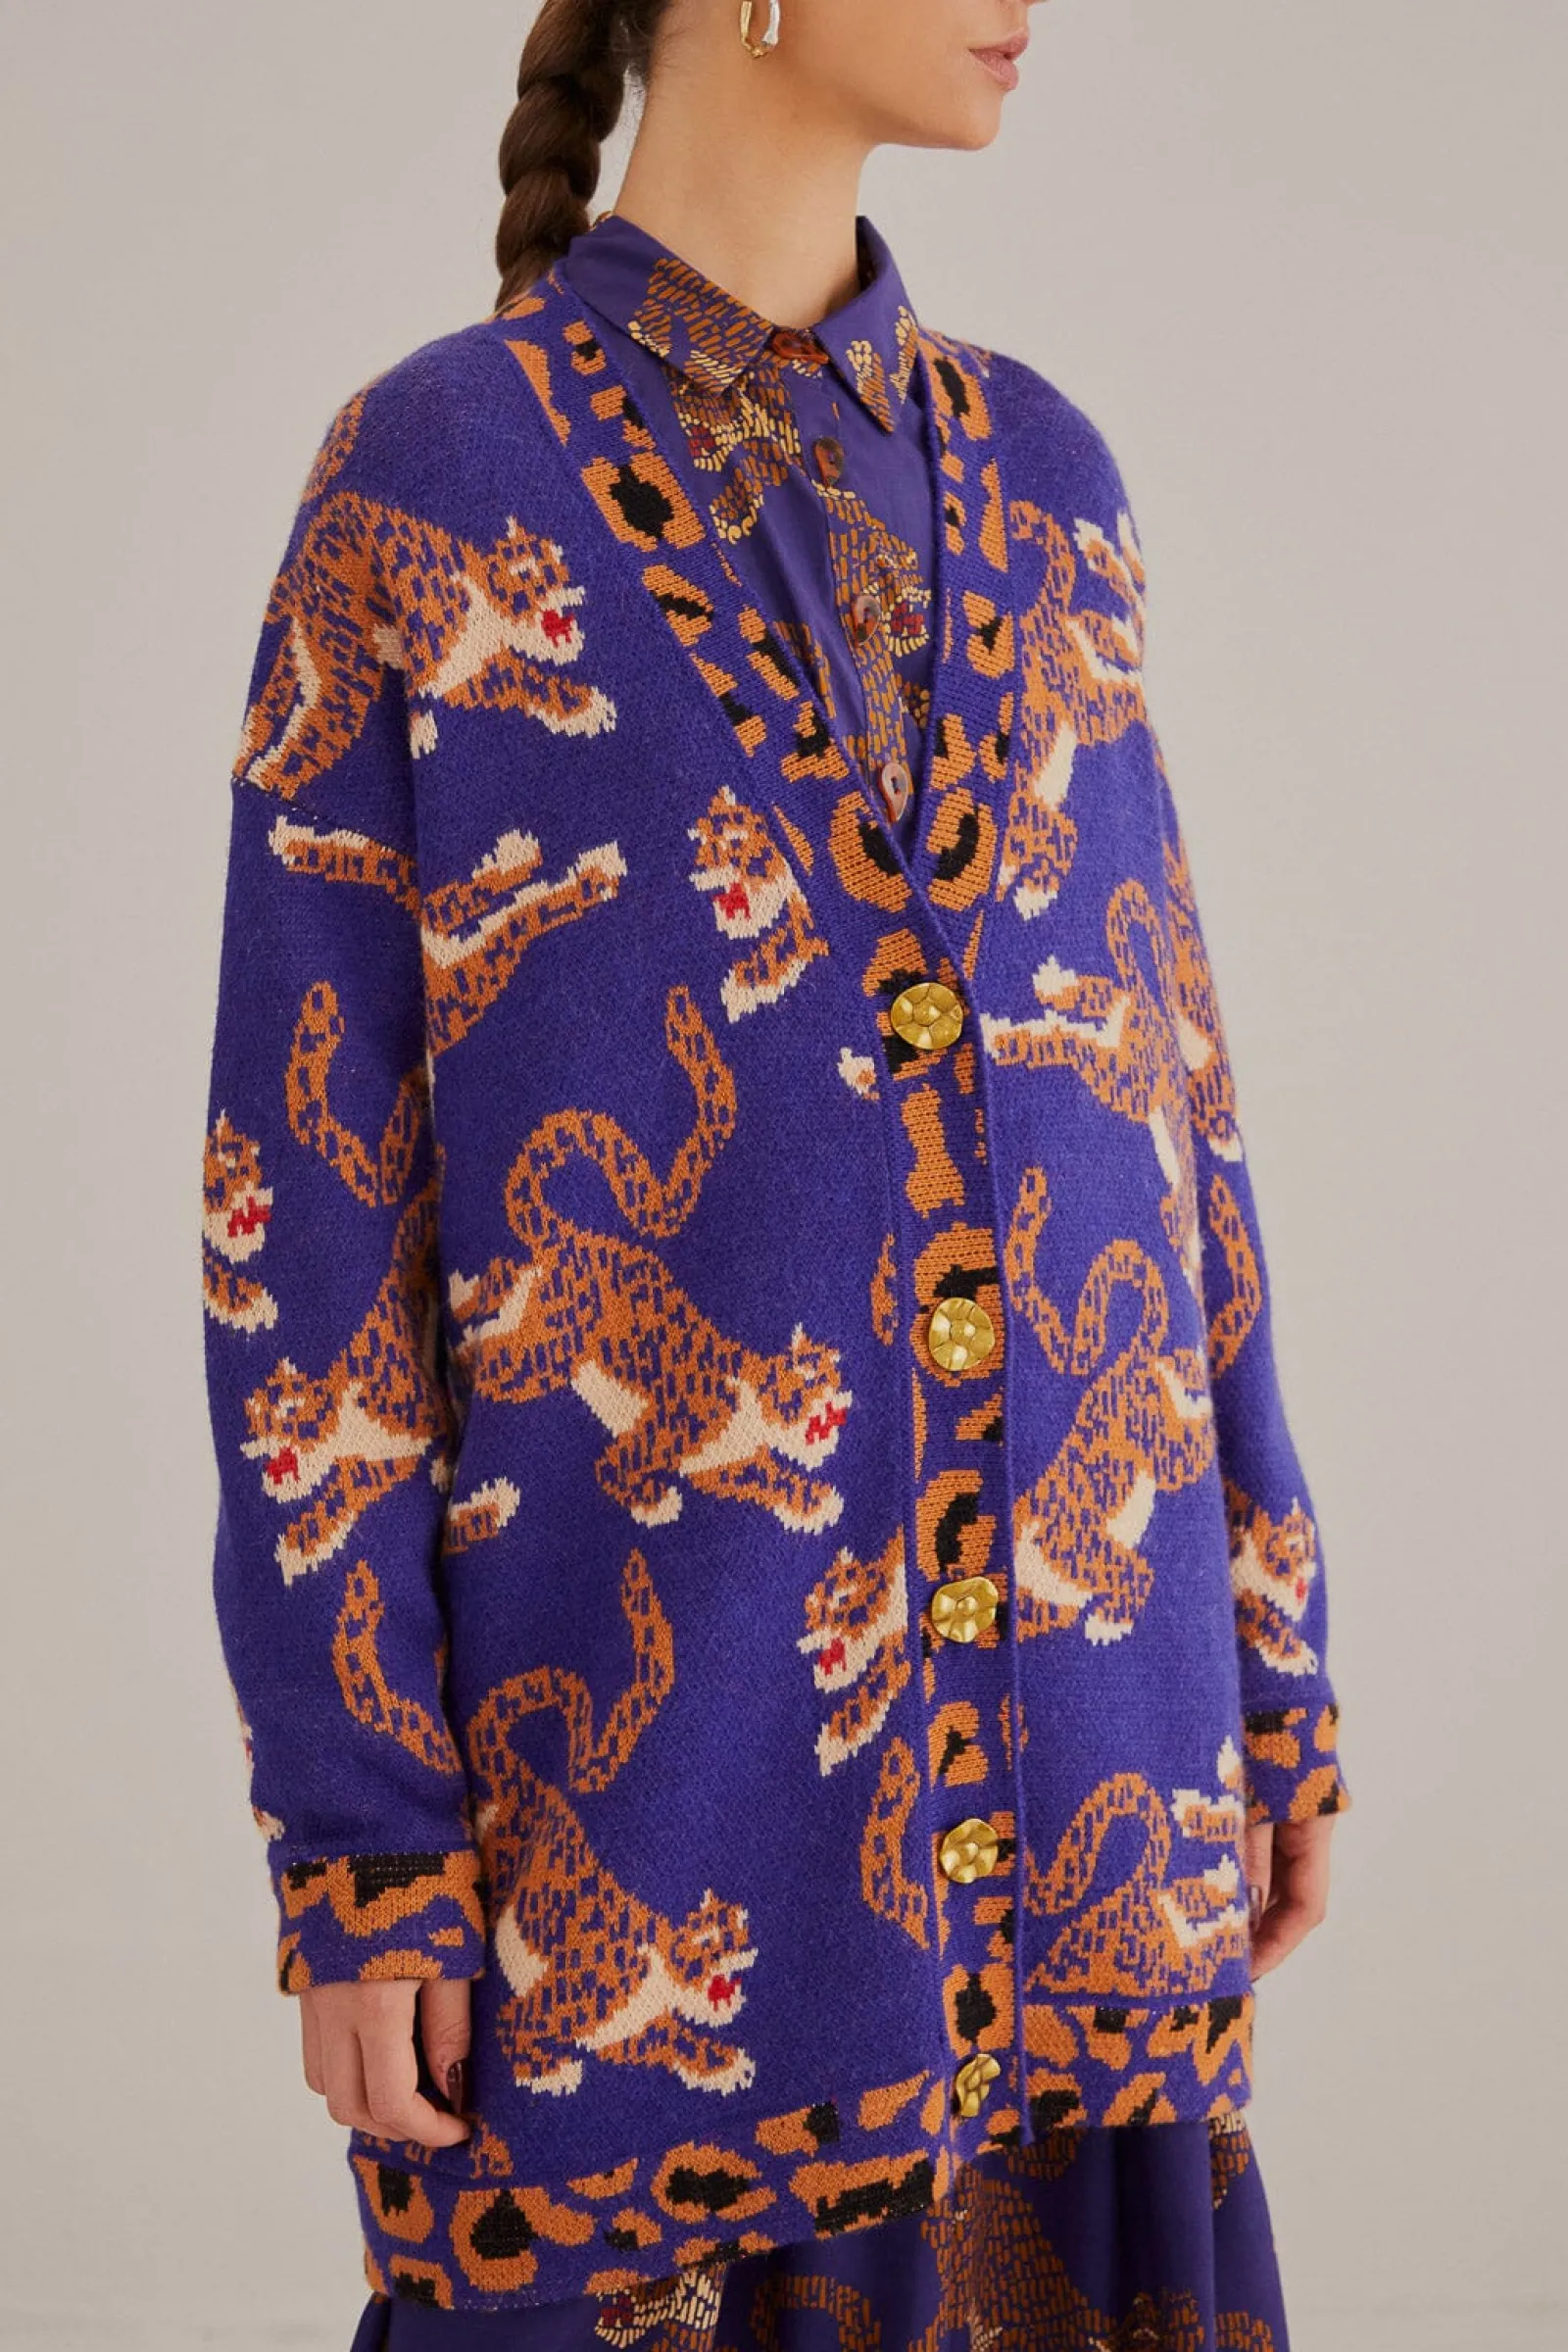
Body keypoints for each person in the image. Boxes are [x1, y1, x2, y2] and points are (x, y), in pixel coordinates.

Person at [199, 0, 1351, 2343]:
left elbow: (1173, 1100)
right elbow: (303, 1217)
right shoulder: (429, 480)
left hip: (1095, 1787)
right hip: (656, 1846)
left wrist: (1268, 1648)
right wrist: (361, 1834)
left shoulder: (1047, 481)